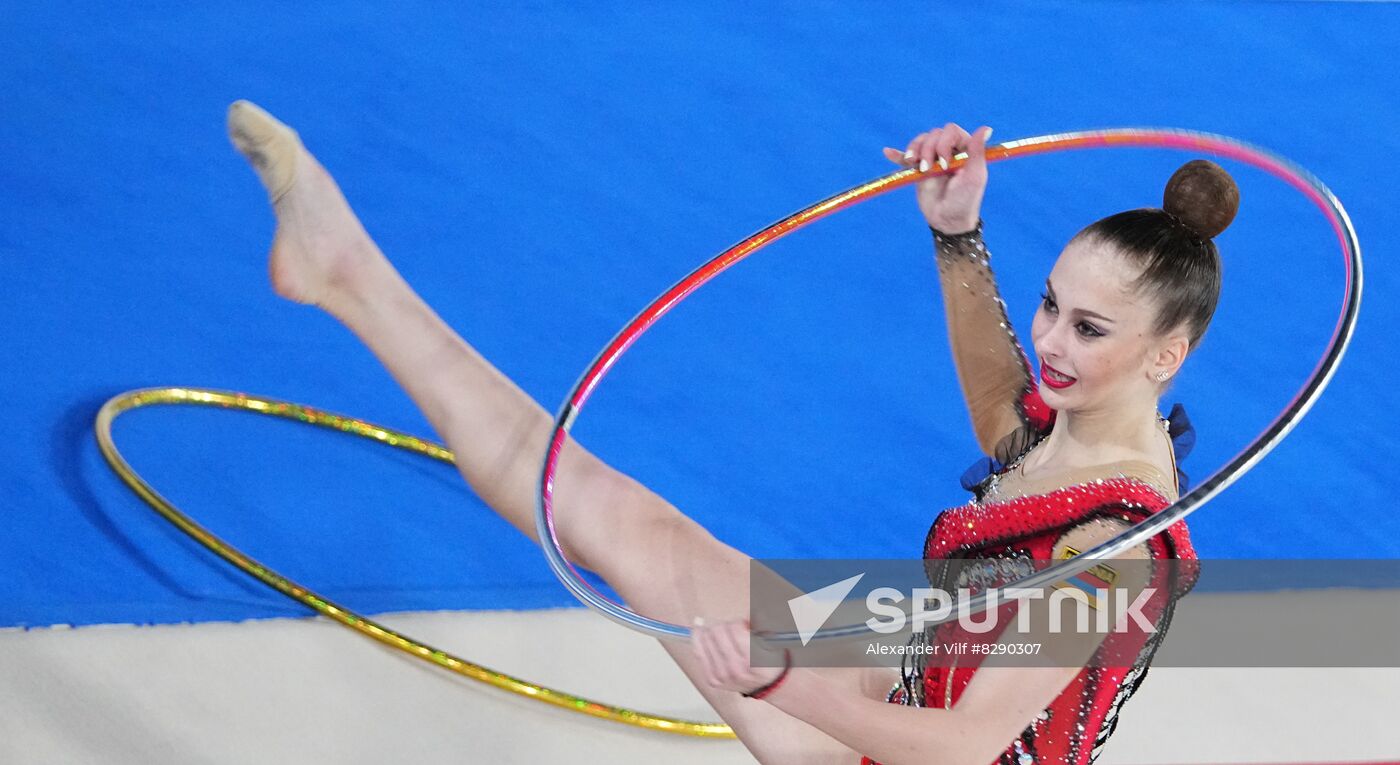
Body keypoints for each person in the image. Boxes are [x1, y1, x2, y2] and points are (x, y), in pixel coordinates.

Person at [227, 103, 1229, 764]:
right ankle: (346, 270)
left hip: (913, 748)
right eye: (1051, 303)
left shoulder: (1112, 551)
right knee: (617, 517)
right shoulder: (1063, 431)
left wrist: (781, 683)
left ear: (1163, 357)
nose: (1049, 339)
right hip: (905, 672)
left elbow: (966, 745)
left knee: (616, 529)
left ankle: (349, 278)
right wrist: (955, 230)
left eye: (1086, 329)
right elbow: (1008, 412)